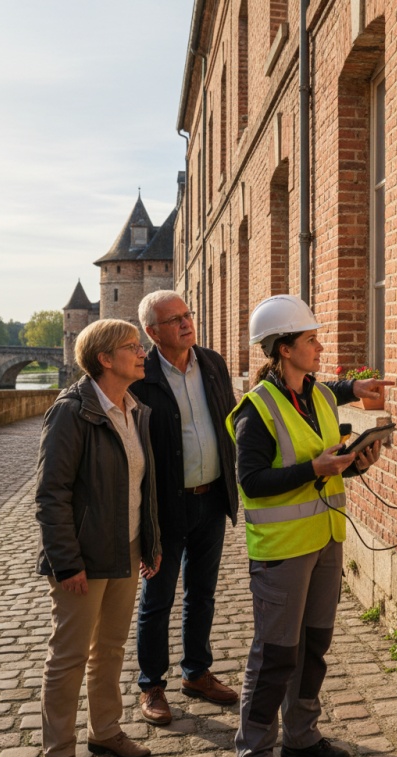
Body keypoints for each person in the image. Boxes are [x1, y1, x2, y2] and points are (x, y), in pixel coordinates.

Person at [227, 294, 392, 757]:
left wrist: (355, 461)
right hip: (281, 547)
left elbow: (328, 446)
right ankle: (254, 756)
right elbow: (252, 481)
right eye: (311, 340)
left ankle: (300, 738)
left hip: (325, 539)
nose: (321, 347)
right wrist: (313, 469)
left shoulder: (318, 396)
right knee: (275, 653)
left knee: (314, 645)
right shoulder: (257, 408)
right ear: (283, 349)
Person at [36, 319, 162, 757]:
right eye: (133, 347)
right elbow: (52, 494)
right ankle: (60, 753)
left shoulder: (134, 408)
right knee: (68, 656)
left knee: (109, 649)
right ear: (105, 359)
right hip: (83, 559)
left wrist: (149, 542)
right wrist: (67, 562)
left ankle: (105, 731)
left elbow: (140, 486)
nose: (142, 352)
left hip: (126, 548)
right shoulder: (71, 412)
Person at [132, 290, 240, 726]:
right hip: (165, 507)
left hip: (211, 498)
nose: (185, 323)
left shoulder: (212, 363)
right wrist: (143, 520)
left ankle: (196, 672)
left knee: (202, 594)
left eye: (187, 314)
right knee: (157, 600)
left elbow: (232, 418)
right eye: (173, 319)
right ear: (152, 333)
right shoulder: (141, 375)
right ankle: (151, 684)